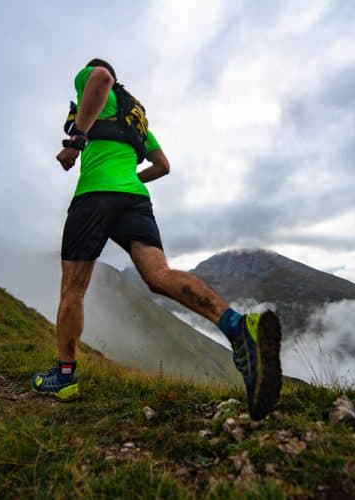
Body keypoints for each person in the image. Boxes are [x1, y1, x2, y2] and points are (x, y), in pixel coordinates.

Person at [31, 58, 282, 420]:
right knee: (159, 275)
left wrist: (77, 140)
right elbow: (162, 165)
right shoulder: (136, 117)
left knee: (73, 288)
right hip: (135, 199)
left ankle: (64, 377)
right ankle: (238, 325)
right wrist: (130, 184)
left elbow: (101, 77)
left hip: (93, 196)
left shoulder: (93, 78)